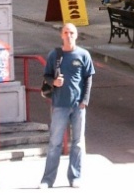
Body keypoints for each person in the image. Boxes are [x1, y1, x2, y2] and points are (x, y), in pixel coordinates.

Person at [40, 23, 95, 189]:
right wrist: (54, 82)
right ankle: (47, 180)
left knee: (77, 143)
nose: (69, 35)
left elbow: (88, 79)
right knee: (55, 144)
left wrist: (84, 100)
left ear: (76, 35)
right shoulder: (55, 55)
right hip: (59, 105)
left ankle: (75, 177)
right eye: (66, 32)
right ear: (61, 35)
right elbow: (46, 76)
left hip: (78, 106)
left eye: (72, 32)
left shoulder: (83, 55)